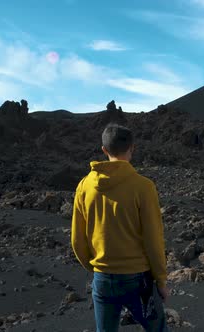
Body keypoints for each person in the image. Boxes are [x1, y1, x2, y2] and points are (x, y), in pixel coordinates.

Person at [71, 123, 169, 332]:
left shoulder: (84, 186)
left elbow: (77, 239)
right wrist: (160, 279)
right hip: (137, 279)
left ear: (104, 150)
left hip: (103, 279)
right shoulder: (143, 187)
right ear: (132, 148)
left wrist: (96, 268)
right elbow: (153, 239)